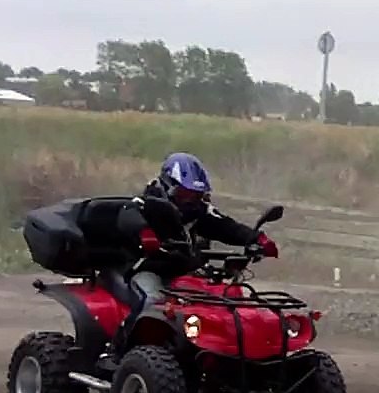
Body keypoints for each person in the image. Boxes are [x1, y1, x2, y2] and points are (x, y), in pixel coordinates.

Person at [105, 152, 274, 358]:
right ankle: (116, 353)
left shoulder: (199, 213)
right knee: (152, 301)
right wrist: (144, 233)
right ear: (168, 187)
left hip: (184, 271)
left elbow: (227, 226)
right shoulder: (145, 204)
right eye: (184, 193)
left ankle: (225, 355)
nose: (190, 200)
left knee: (227, 300)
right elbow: (128, 216)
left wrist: (257, 239)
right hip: (146, 268)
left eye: (195, 195)